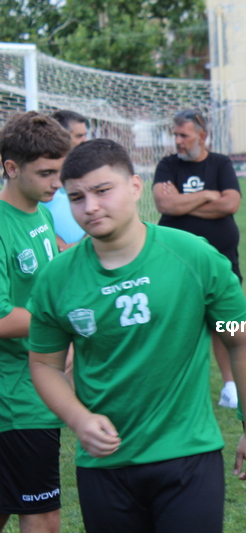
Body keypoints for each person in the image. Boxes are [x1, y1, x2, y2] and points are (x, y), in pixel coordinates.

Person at [26, 139, 246, 533]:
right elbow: (43, 364)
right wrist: (78, 418)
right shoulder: (56, 277)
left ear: (135, 187)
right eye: (76, 197)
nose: (90, 207)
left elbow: (241, 342)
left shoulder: (195, 256)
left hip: (188, 455)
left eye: (102, 190)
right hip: (104, 465)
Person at [0, 111, 70, 533]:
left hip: (36, 385)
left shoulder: (39, 213)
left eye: (60, 171)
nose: (57, 183)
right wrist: (63, 321)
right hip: (16, 398)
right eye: (46, 173)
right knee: (43, 518)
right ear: (11, 168)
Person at [152, 109, 243, 409]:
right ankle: (179, 388)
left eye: (184, 135)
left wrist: (181, 203)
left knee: (225, 324)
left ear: (202, 136)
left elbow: (230, 203)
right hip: (176, 261)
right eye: (175, 135)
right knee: (179, 324)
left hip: (221, 258)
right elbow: (164, 204)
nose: (177, 141)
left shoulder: (220, 163)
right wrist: (207, 195)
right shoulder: (168, 165)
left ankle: (231, 386)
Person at [43, 109, 89, 251]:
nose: (85, 141)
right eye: (79, 136)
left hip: (86, 250)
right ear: (61, 136)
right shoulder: (40, 171)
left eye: (85, 135)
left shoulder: (89, 168)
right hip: (52, 251)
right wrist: (61, 245)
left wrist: (85, 243)